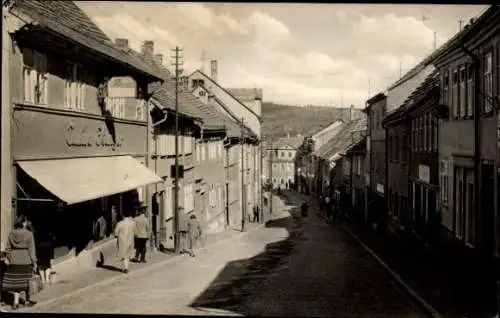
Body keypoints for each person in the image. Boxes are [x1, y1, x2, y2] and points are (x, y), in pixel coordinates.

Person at [2, 216, 37, 310]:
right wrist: (34, 261)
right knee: (27, 281)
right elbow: (32, 249)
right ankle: (26, 301)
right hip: (26, 260)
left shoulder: (11, 233)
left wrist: (10, 257)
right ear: (23, 223)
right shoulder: (29, 234)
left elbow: (7, 248)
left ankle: (16, 302)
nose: (26, 223)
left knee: (16, 282)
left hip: (14, 261)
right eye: (25, 222)